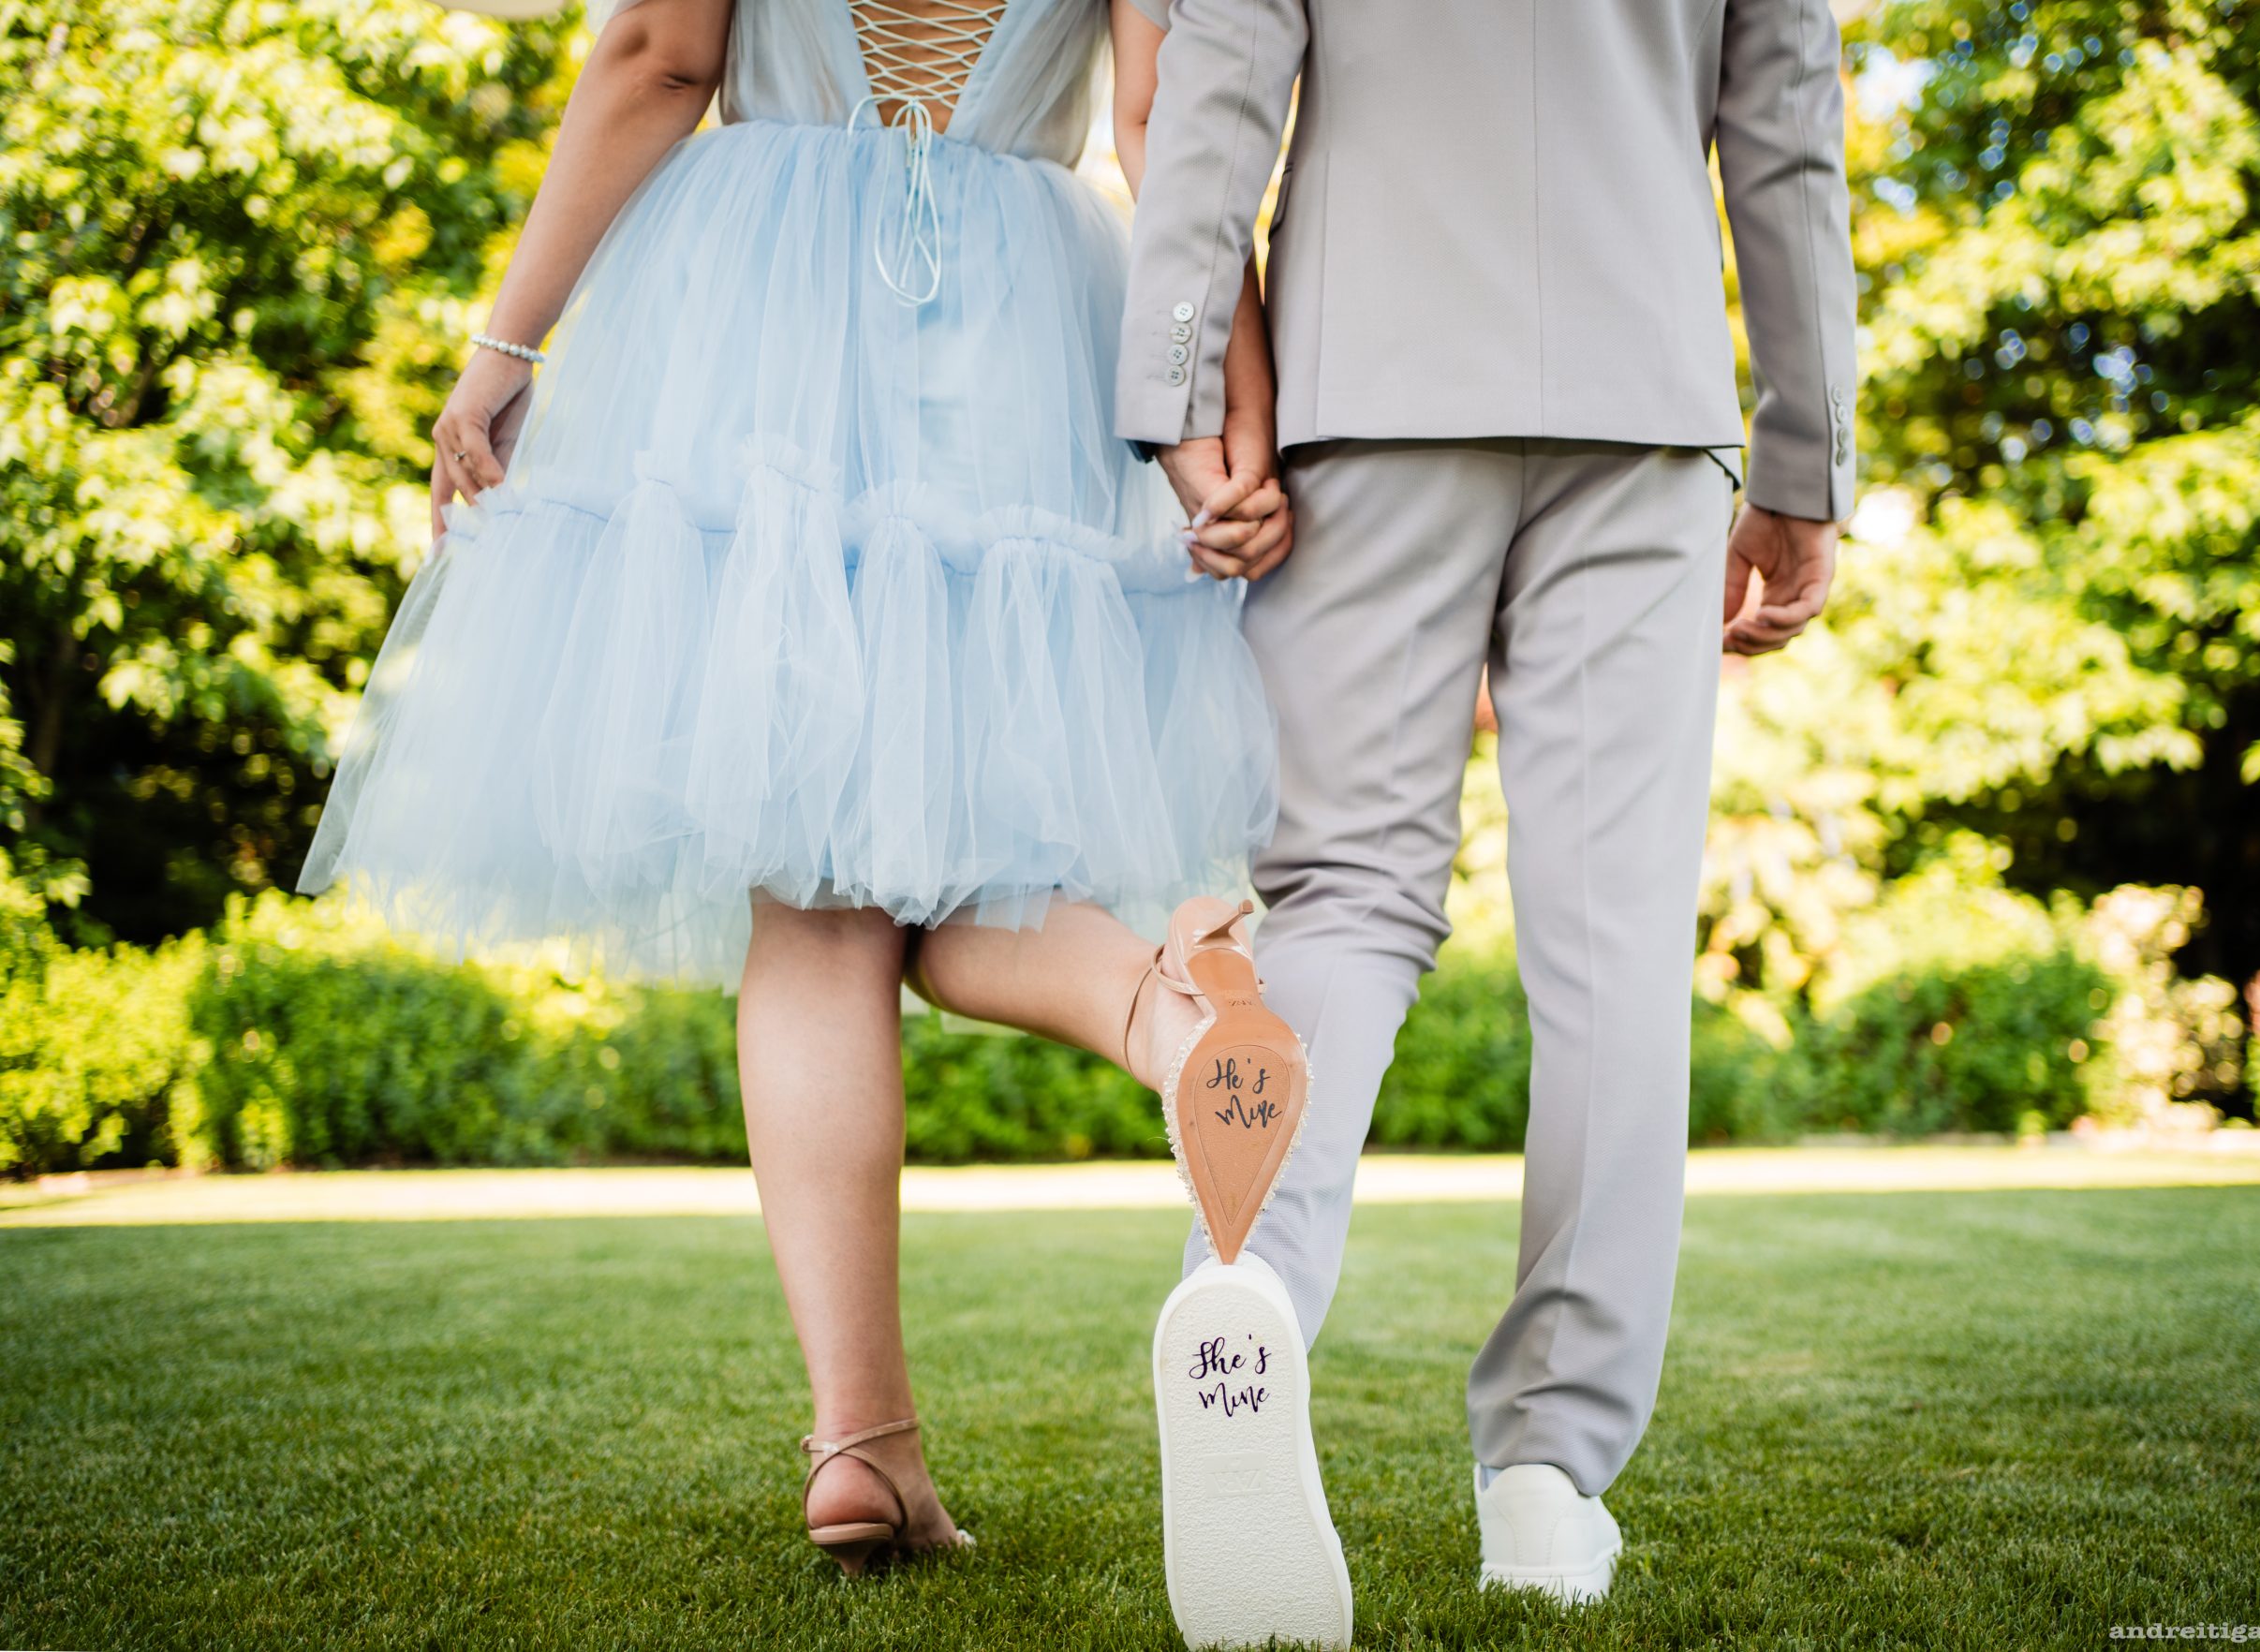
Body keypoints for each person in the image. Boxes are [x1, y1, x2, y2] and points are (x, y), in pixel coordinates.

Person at [298, 0, 1304, 1575]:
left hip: (765, 318)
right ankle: (1171, 1024)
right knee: (965, 853)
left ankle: (861, 1445)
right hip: (1021, 325)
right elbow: (1163, 123)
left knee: (821, 913)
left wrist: (507, 346)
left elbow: (658, 55)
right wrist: (1223, 428)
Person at [1123, 0, 1857, 1639]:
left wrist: (1181, 388)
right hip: (1642, 396)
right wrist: (1806, 462)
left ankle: (1242, 1289)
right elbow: (1787, 132)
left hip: (1368, 393)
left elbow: (1212, 84)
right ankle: (1548, 1471)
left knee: (1337, 902)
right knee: (1614, 944)